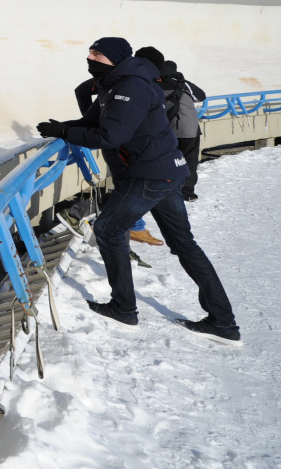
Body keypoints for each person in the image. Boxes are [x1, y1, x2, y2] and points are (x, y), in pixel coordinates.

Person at [37, 37, 240, 342]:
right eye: (90, 52)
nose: (90, 57)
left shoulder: (130, 86)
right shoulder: (112, 84)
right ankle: (223, 323)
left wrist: (65, 132)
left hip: (149, 174)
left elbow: (110, 135)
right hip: (162, 171)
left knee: (107, 229)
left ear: (115, 58)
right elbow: (89, 123)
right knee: (184, 244)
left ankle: (123, 308)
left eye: (97, 53)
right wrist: (60, 129)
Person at [75, 46, 166, 247]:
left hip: (120, 137)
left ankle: (133, 227)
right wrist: (93, 120)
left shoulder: (122, 74)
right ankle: (129, 230)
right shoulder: (132, 79)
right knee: (130, 185)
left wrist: (94, 119)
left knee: (130, 184)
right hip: (126, 140)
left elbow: (81, 90)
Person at [159, 60, 207, 201]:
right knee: (189, 162)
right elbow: (201, 96)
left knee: (168, 161)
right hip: (189, 129)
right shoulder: (184, 84)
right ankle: (187, 192)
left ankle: (167, 190)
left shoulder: (154, 84)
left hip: (167, 130)